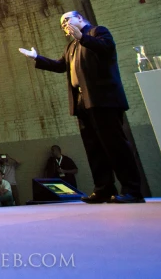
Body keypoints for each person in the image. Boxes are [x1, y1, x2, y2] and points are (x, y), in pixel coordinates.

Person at [20, 10, 144, 204]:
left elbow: (107, 48)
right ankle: (103, 189)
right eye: (61, 24)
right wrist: (37, 58)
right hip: (82, 103)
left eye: (66, 20)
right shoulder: (71, 46)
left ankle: (132, 190)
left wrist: (83, 38)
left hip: (103, 100)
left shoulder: (97, 32)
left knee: (115, 146)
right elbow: (60, 66)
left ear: (80, 19)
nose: (64, 25)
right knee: (94, 148)